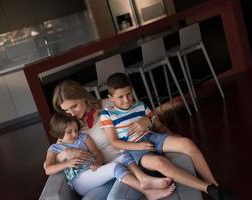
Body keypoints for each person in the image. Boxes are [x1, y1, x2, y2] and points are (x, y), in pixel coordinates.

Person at [101, 72, 238, 200]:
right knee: (160, 163)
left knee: (187, 144)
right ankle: (207, 188)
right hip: (134, 150)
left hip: (152, 137)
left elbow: (157, 125)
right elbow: (114, 142)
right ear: (110, 98)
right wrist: (137, 146)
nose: (126, 100)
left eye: (129, 94)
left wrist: (170, 134)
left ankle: (215, 187)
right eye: (120, 97)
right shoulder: (107, 114)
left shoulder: (140, 105)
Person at [51, 79, 190, 200]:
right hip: (105, 173)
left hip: (133, 162)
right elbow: (58, 151)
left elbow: (146, 115)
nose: (72, 113)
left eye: (74, 106)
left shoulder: (108, 105)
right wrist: (63, 155)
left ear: (83, 97)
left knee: (115, 198)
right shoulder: (69, 126)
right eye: (66, 110)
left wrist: (157, 126)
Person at [44, 112, 175, 199]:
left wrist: (98, 162)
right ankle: (148, 192)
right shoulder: (55, 148)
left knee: (125, 155)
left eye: (76, 130)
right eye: (69, 132)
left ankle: (143, 178)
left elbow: (97, 153)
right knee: (114, 167)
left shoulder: (83, 137)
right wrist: (66, 163)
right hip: (80, 180)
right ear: (58, 132)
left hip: (94, 170)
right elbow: (48, 169)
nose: (75, 134)